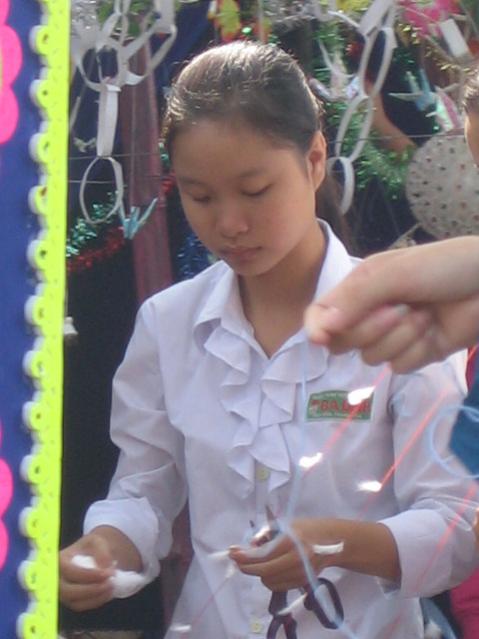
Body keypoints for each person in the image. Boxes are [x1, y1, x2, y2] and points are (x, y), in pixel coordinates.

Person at [59, 42, 479, 638]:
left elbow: (456, 522)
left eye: (255, 191)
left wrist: (338, 543)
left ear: (315, 159)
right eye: (199, 196)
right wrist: (105, 547)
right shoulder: (168, 323)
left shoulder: (400, 319)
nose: (228, 223)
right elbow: (143, 489)